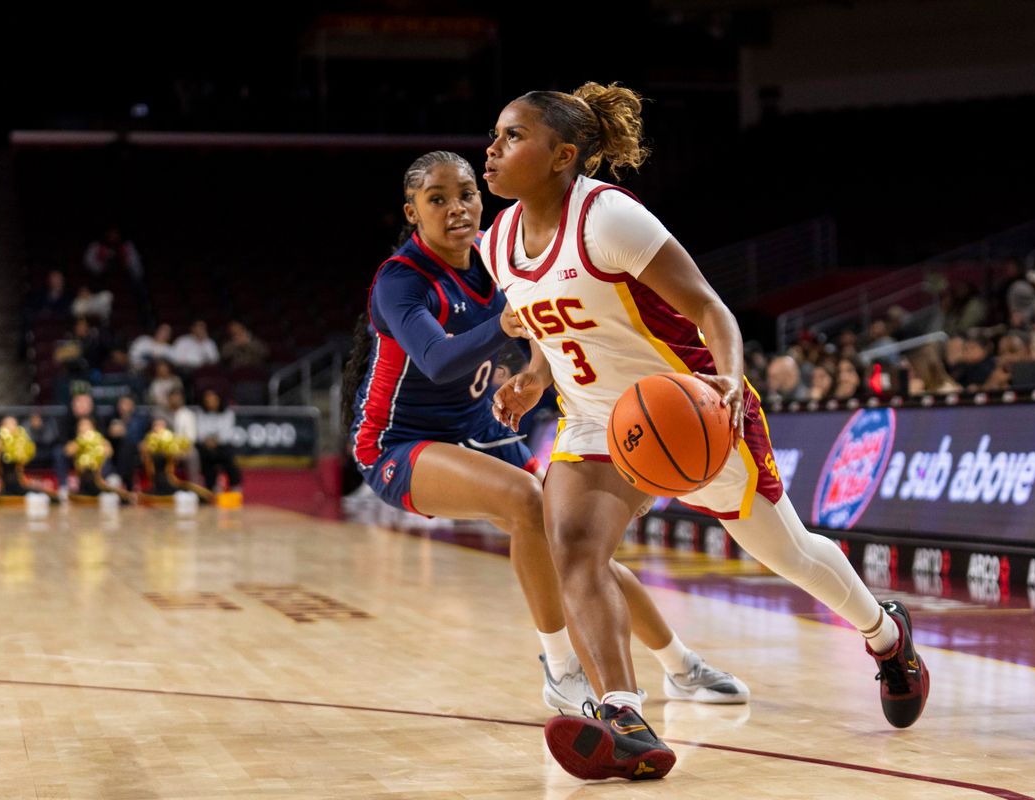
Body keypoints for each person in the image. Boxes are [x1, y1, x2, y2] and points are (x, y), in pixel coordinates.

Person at [485, 83, 927, 782]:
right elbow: (548, 324)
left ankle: (885, 632)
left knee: (790, 555)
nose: (493, 148)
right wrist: (536, 374)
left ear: (562, 155)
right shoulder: (496, 243)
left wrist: (726, 382)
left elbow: (709, 307)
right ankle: (624, 717)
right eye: (495, 134)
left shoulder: (608, 219)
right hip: (599, 421)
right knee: (572, 547)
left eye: (512, 136)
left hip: (686, 408)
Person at [344, 150, 746, 719]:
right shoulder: (400, 280)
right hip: (398, 443)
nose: (456, 208)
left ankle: (680, 665)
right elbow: (436, 359)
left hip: (483, 428)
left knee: (582, 548)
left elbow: (544, 322)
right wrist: (503, 324)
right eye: (438, 199)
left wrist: (535, 370)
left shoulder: (496, 253)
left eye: (466, 195)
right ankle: (560, 669)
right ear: (413, 213)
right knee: (527, 503)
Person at [194, 388, 242, 491]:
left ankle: (235, 486)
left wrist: (215, 440)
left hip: (222, 445)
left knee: (228, 456)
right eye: (208, 400)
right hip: (205, 445)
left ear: (219, 400)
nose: (210, 402)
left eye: (213, 399)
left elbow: (227, 433)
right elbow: (199, 432)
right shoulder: (200, 413)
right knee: (206, 457)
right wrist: (207, 441)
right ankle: (211, 487)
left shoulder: (228, 413)